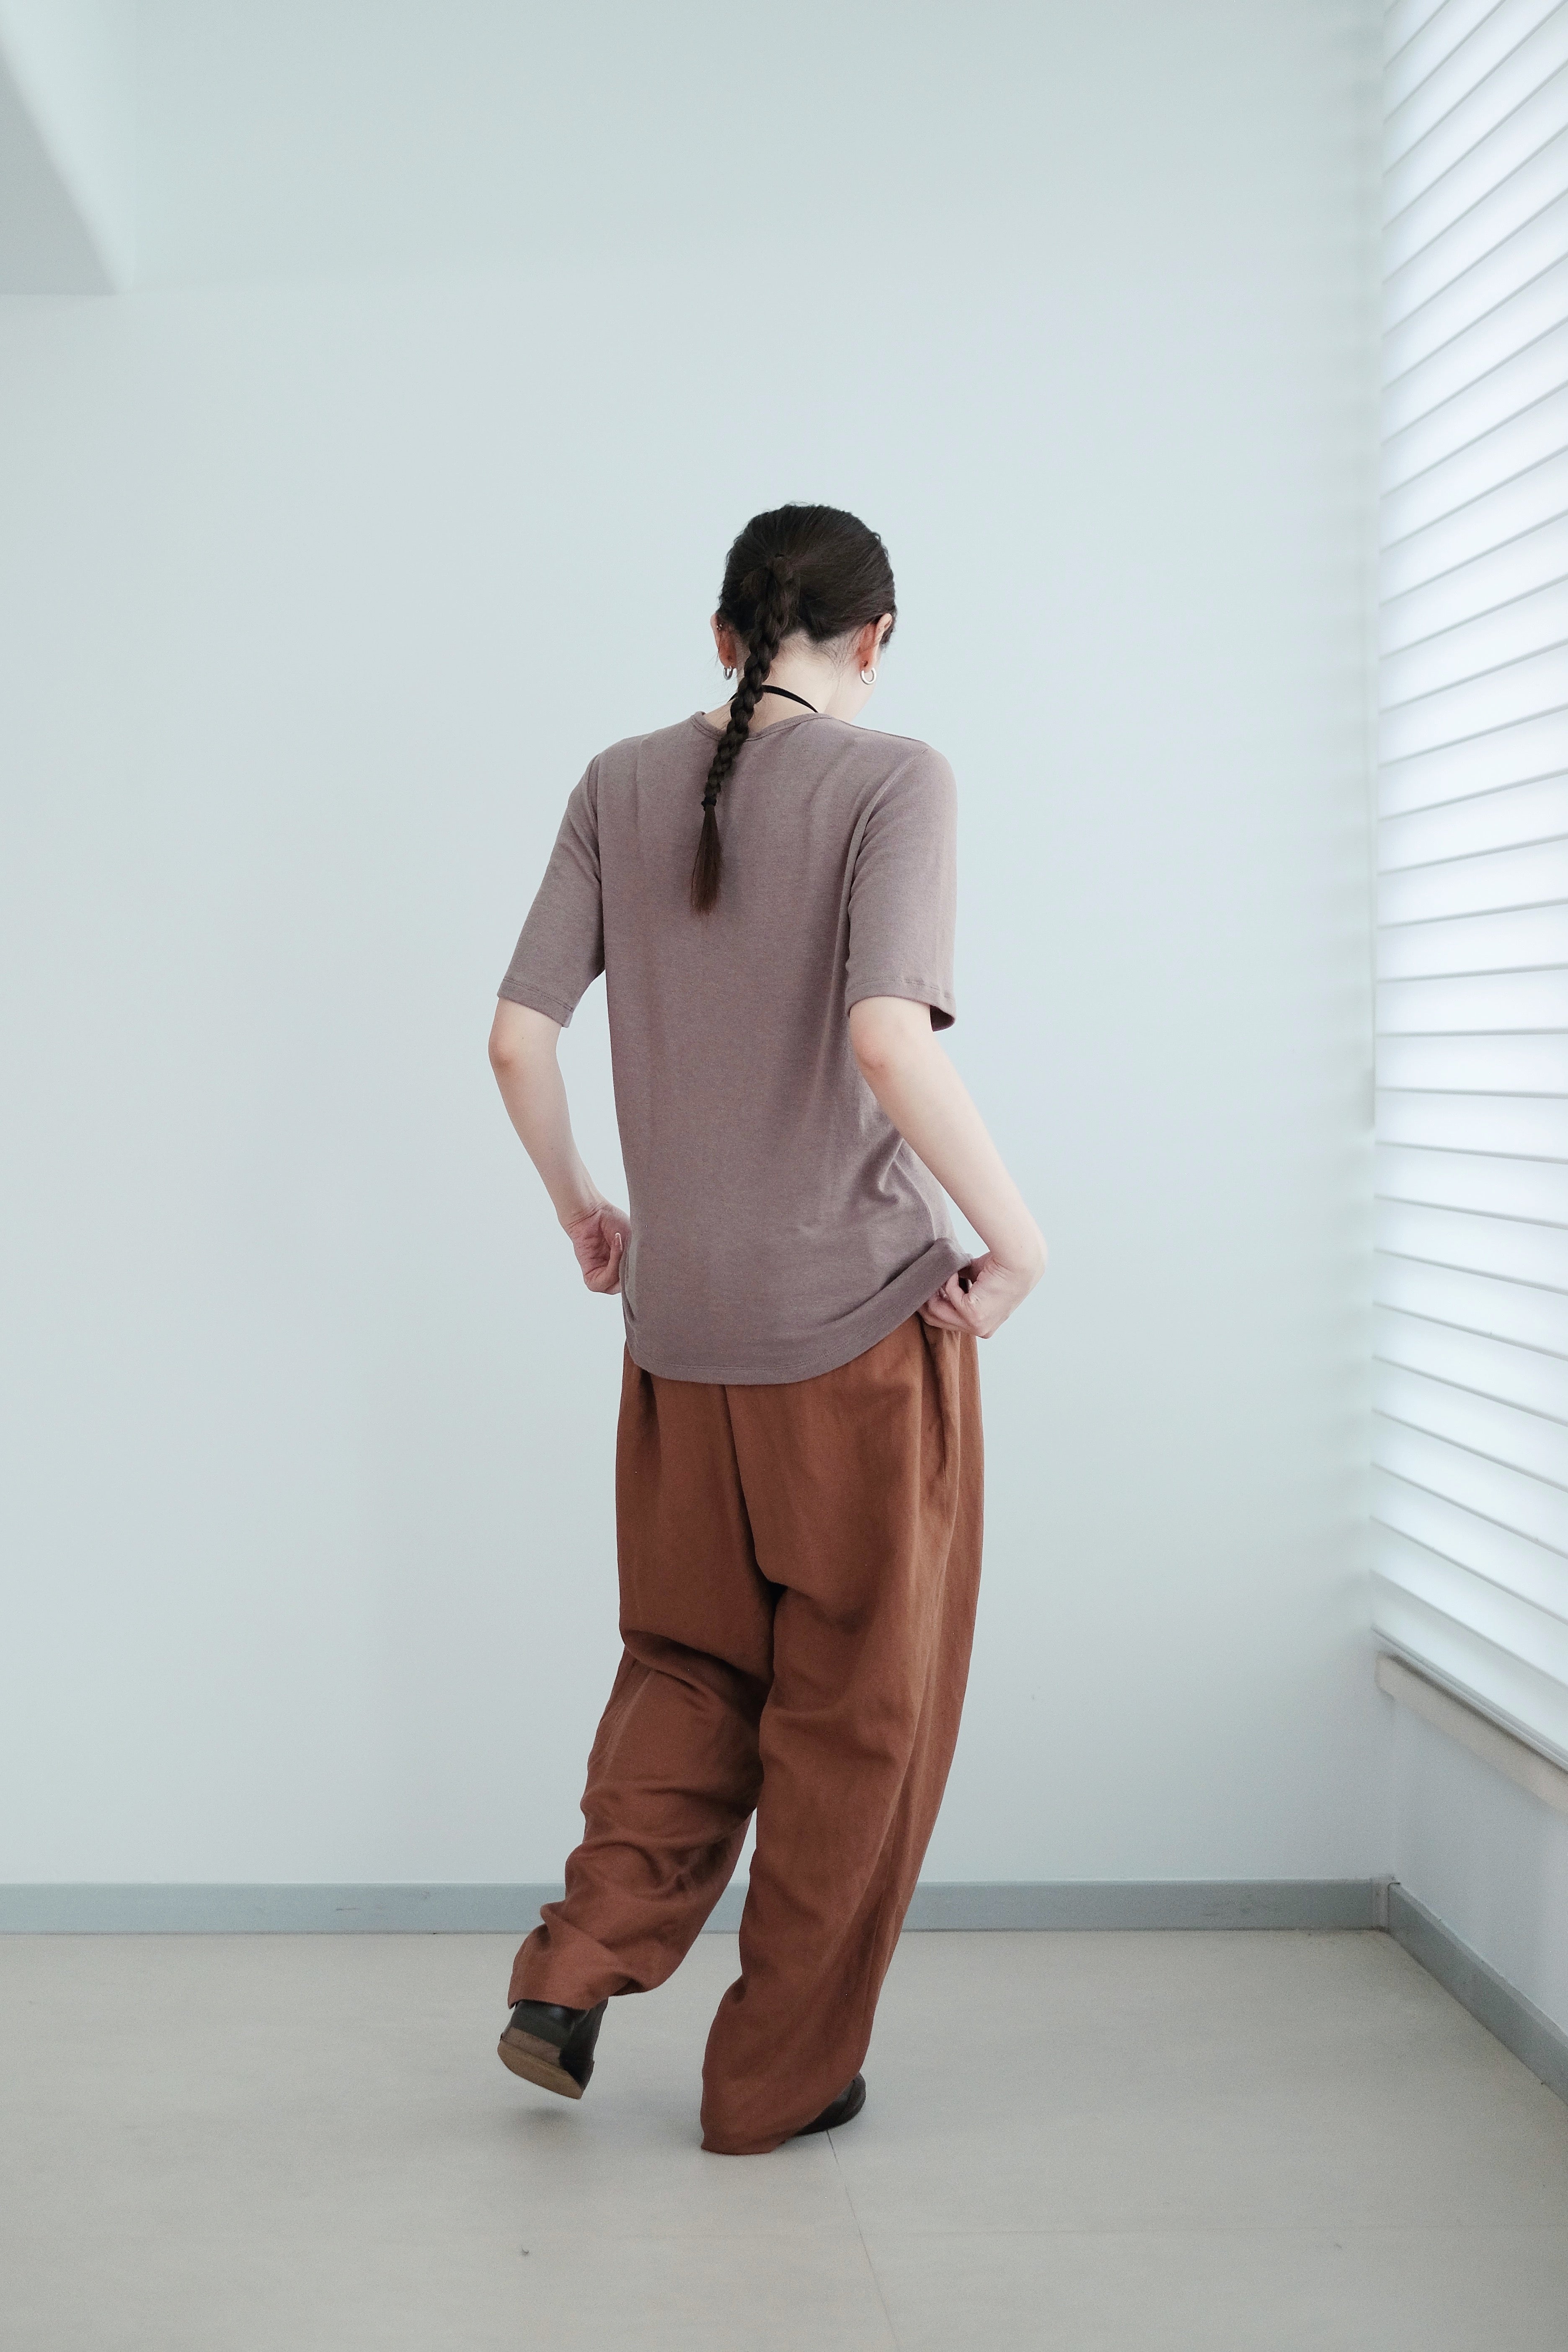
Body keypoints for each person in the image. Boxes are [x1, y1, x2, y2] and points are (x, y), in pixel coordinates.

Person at [487, 502, 1045, 2156]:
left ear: (725, 637)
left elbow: (517, 1038)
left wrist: (583, 1208)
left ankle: (569, 1972)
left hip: (679, 1340)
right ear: (877, 638)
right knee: (855, 1714)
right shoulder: (897, 780)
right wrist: (1018, 1244)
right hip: (857, 1334)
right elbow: (889, 1038)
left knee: (685, 1667)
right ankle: (772, 2082)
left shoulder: (616, 782)